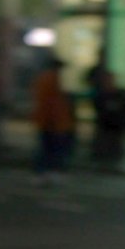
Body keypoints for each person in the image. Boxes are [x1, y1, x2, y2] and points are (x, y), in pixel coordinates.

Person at [32, 57, 76, 186]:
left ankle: (44, 173)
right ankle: (47, 173)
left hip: (48, 121)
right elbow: (52, 103)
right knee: (52, 149)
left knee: (46, 149)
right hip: (53, 123)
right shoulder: (51, 79)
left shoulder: (44, 79)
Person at [90, 69, 125, 173]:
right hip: (105, 127)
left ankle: (113, 167)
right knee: (104, 149)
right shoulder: (101, 95)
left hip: (116, 127)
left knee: (115, 148)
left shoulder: (119, 95)